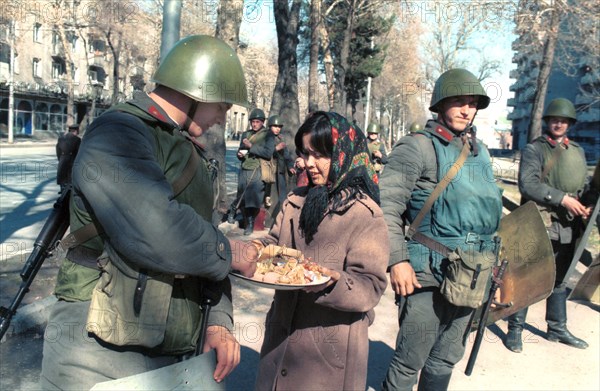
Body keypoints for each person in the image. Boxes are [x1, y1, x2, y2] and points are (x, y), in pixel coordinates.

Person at [40, 35, 258, 390]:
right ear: (194, 90)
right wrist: (229, 251)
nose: (223, 115)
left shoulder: (185, 146)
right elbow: (155, 228)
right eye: (221, 104)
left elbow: (203, 242)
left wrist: (219, 319)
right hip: (98, 352)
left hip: (171, 349)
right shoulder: (117, 132)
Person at [380, 69, 503, 390]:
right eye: (459, 102)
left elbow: (490, 217)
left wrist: (497, 274)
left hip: (473, 273)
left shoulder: (481, 152)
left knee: (446, 357)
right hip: (427, 274)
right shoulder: (416, 147)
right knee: (410, 361)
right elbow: (386, 208)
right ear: (440, 104)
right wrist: (397, 260)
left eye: (472, 103)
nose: (467, 110)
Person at [253, 111, 389, 390]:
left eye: (320, 155)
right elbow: (274, 244)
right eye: (306, 154)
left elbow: (370, 286)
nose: (309, 164)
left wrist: (330, 280)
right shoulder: (294, 201)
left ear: (342, 154)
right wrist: (255, 249)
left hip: (329, 352)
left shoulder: (365, 214)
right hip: (281, 338)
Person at [505, 97, 591, 353]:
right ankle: (515, 330)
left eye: (563, 120)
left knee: (561, 278)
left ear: (570, 124)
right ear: (548, 122)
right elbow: (528, 185)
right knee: (528, 277)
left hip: (569, 225)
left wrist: (585, 204)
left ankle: (557, 328)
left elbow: (583, 186)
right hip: (540, 221)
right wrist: (562, 199)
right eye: (554, 119)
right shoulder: (535, 149)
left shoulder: (577, 151)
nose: (558, 123)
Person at [235, 107, 275, 235]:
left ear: (262, 122)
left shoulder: (268, 134)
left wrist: (251, 146)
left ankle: (250, 223)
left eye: (257, 121)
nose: (254, 124)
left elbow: (268, 153)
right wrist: (239, 154)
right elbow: (241, 150)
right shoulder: (246, 134)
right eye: (253, 121)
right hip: (245, 167)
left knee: (254, 196)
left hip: (259, 168)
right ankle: (237, 213)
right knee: (242, 194)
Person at [263, 114, 295, 225]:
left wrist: (290, 166)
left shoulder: (280, 138)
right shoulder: (266, 137)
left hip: (279, 172)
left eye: (279, 126)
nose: (277, 128)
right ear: (270, 126)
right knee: (268, 198)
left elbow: (287, 155)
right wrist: (276, 148)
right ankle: (267, 222)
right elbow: (264, 153)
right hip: (268, 172)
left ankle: (279, 222)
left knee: (281, 198)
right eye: (275, 126)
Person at [55, 123, 81, 192]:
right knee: (70, 178)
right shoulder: (77, 139)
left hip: (62, 160)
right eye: (78, 131)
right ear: (76, 131)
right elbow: (78, 152)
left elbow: (58, 151)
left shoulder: (61, 138)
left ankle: (62, 189)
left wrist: (61, 159)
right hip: (71, 161)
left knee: (63, 178)